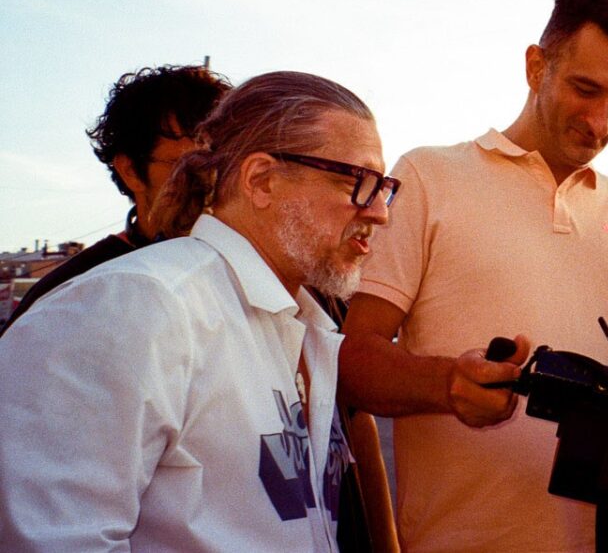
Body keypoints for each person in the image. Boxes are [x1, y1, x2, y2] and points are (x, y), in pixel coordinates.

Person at [340, 0, 608, 552]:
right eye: (585, 89)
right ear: (535, 66)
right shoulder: (427, 175)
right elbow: (352, 360)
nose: (601, 122)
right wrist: (448, 383)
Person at [0, 71, 398, 550]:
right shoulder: (133, 306)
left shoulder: (305, 327)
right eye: (357, 181)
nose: (380, 212)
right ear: (262, 180)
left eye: (383, 186)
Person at [1, 64, 230, 335]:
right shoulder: (77, 299)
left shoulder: (253, 276)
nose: (211, 179)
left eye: (225, 163)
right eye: (188, 165)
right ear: (131, 171)